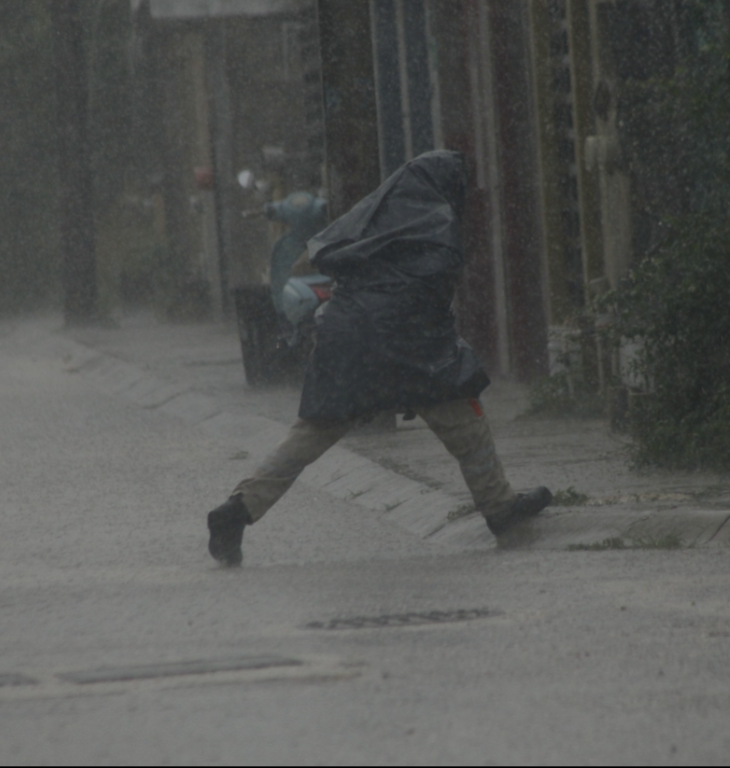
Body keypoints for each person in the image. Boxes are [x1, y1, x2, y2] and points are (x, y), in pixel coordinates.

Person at [208, 150, 551, 565]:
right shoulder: (435, 228)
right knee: (465, 419)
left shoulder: (373, 217)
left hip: (346, 338)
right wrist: (443, 363)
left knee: (307, 436)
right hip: (410, 346)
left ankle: (239, 509)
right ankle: (500, 509)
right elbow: (431, 302)